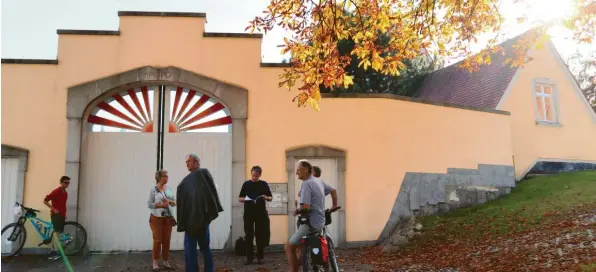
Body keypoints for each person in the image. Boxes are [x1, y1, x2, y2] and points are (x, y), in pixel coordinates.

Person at [286, 160, 338, 272]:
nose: (296, 173)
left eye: (298, 170)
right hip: (320, 221)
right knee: (299, 246)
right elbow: (333, 190)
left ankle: (293, 270)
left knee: (289, 247)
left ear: (306, 170)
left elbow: (306, 208)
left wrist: (297, 211)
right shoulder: (318, 181)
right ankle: (302, 260)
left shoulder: (306, 184)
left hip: (311, 223)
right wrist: (334, 205)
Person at [177, 153, 223, 272]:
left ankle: (208, 269)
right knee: (193, 249)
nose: (187, 163)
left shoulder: (203, 174)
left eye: (189, 161)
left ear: (197, 162)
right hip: (192, 221)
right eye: (186, 162)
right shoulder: (185, 182)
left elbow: (210, 193)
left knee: (201, 248)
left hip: (202, 220)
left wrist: (207, 213)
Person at [239, 165, 272, 265]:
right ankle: (249, 258)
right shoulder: (246, 184)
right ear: (251, 174)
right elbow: (240, 198)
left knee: (260, 235)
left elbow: (270, 197)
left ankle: (260, 257)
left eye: (256, 176)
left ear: (259, 175)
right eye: (253, 175)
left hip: (260, 213)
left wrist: (265, 197)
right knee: (248, 236)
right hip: (248, 213)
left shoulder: (264, 184)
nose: (254, 178)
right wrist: (247, 199)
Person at [147, 170, 176, 271]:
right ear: (158, 178)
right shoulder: (153, 190)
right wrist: (161, 205)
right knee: (158, 240)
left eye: (167, 176)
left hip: (167, 218)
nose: (166, 178)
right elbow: (149, 204)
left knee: (167, 240)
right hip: (156, 218)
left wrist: (169, 202)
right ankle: (155, 262)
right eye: (164, 176)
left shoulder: (168, 189)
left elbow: (174, 202)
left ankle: (166, 261)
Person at [43, 176, 71, 260]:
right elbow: (45, 201)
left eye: (68, 183)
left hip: (61, 215)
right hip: (55, 215)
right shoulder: (56, 192)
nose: (67, 184)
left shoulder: (65, 193)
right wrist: (53, 209)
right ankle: (54, 253)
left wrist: (64, 214)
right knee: (57, 233)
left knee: (57, 233)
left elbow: (63, 205)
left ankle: (53, 251)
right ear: (61, 182)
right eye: (65, 182)